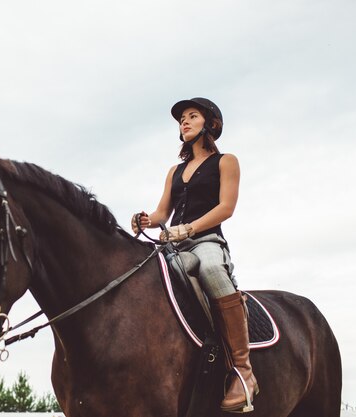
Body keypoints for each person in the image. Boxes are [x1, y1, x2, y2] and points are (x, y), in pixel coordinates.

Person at [131, 97, 258, 413]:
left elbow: (226, 208)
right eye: (181, 119)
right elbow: (162, 212)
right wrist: (146, 219)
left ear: (210, 124)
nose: (184, 122)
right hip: (174, 244)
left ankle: (243, 370)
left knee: (211, 269)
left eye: (191, 116)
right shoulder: (175, 170)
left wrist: (187, 229)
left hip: (207, 241)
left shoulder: (226, 161)